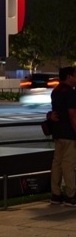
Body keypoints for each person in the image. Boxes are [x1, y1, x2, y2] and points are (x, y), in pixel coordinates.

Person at [49, 67, 76, 206]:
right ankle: (71, 195)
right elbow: (72, 115)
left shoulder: (56, 91)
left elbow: (54, 111)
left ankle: (56, 194)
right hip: (69, 134)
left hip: (58, 133)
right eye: (75, 76)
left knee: (57, 163)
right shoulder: (70, 93)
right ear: (69, 76)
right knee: (68, 164)